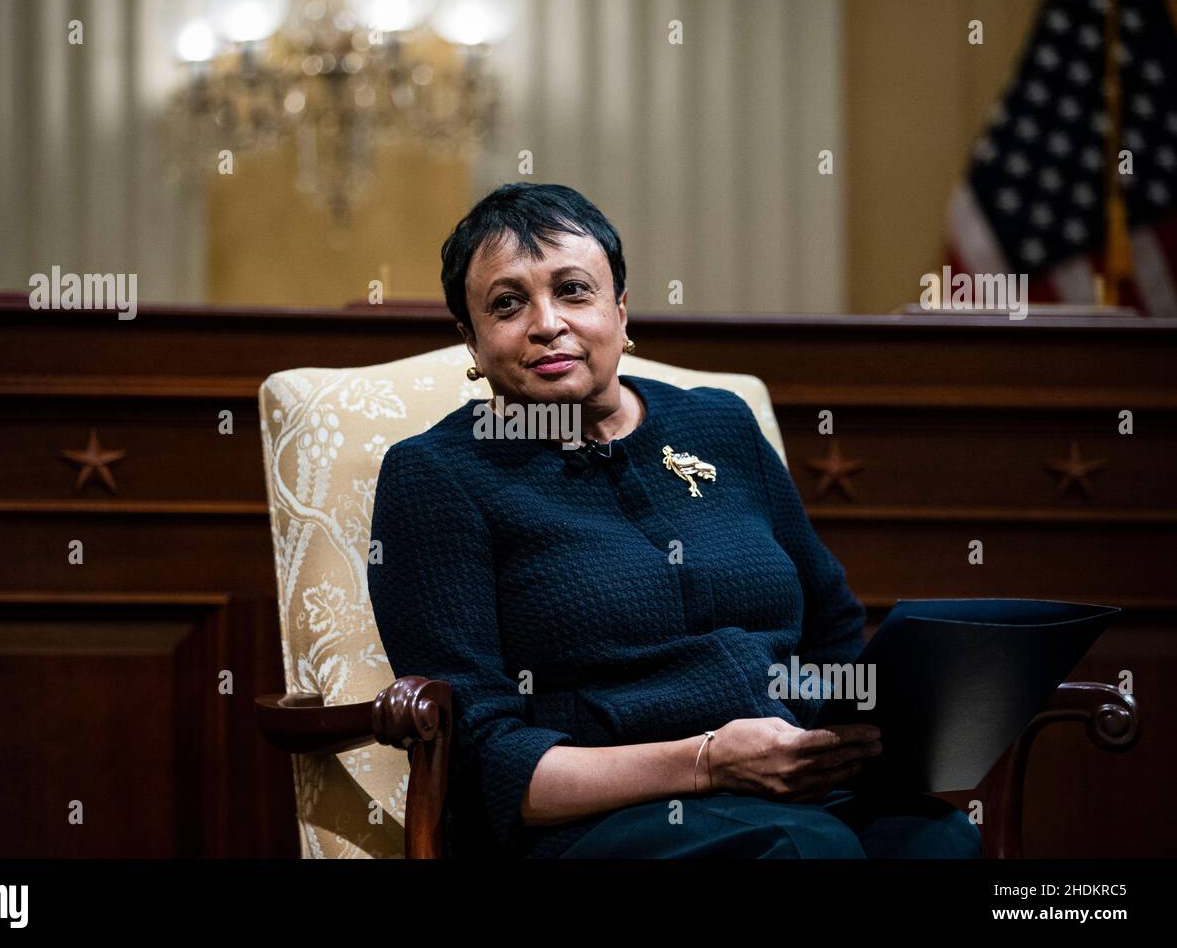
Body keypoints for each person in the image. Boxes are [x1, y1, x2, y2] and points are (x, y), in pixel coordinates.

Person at [366, 181, 981, 860]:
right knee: (804, 851)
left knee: (937, 842)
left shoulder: (719, 424)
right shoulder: (437, 476)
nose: (546, 322)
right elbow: (484, 761)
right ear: (474, 344)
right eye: (507, 304)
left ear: (622, 313)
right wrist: (709, 762)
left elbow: (831, 628)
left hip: (788, 787)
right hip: (588, 823)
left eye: (574, 290)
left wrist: (851, 735)